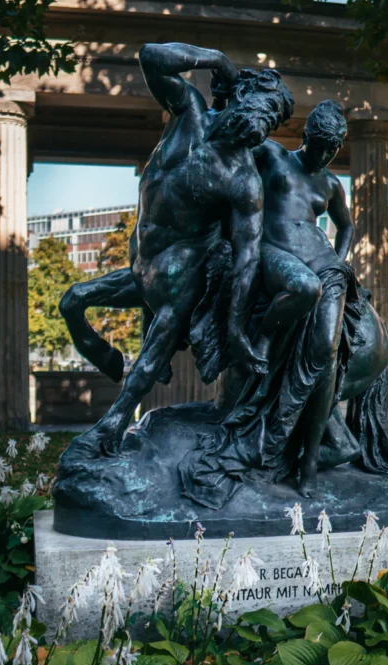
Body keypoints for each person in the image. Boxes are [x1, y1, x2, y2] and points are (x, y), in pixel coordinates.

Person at [60, 42, 294, 453]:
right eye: (265, 106)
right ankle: (98, 350)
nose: (266, 121)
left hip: (184, 277)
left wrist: (237, 329)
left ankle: (113, 424)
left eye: (274, 118)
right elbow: (151, 56)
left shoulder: (243, 183)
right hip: (145, 264)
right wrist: (218, 59)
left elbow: (247, 258)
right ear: (241, 93)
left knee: (153, 351)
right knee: (72, 301)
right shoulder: (188, 111)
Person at [180, 100, 363, 501]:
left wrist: (340, 257)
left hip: (325, 262)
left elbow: (347, 226)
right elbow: (230, 143)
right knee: (304, 289)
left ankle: (312, 460)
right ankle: (261, 339)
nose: (324, 154)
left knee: (326, 354)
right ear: (306, 136)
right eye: (319, 145)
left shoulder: (331, 184)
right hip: (272, 254)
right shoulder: (274, 155)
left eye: (331, 149)